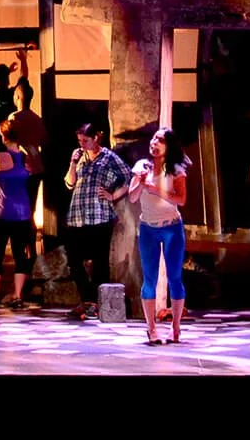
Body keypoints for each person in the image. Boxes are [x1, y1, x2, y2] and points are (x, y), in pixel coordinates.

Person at [62, 121, 129, 320]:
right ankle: (87, 300)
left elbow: (129, 176)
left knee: (100, 261)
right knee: (74, 259)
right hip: (77, 215)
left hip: (99, 215)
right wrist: (73, 163)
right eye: (79, 141)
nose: (82, 144)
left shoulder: (108, 157)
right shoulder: (79, 157)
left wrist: (113, 195)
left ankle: (98, 304)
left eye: (85, 140)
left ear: (95, 138)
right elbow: (69, 183)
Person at [128, 127, 190, 345]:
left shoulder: (176, 169)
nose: (154, 143)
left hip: (171, 226)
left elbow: (181, 199)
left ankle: (176, 327)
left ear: (168, 146)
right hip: (148, 227)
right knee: (150, 279)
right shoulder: (142, 166)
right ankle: (151, 328)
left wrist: (156, 189)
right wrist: (141, 183)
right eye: (153, 139)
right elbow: (133, 197)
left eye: (160, 140)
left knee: (174, 277)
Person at [0, 117, 36, 309]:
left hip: (2, 212)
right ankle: (18, 296)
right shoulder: (28, 158)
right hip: (23, 213)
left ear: (3, 136)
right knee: (20, 255)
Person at [6, 81, 47, 224]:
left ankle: (22, 243)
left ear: (17, 96)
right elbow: (44, 141)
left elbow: (12, 141)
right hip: (36, 169)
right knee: (31, 210)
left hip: (20, 168)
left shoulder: (14, 117)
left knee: (19, 210)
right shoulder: (38, 119)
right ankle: (32, 244)